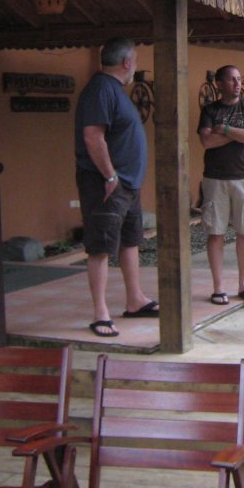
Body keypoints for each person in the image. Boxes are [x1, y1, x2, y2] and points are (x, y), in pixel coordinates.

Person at [74, 36, 158, 337]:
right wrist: (110, 176)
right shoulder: (100, 89)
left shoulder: (115, 90)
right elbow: (92, 136)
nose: (136, 64)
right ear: (126, 62)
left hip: (126, 184)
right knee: (100, 247)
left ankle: (135, 300)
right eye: (135, 59)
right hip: (107, 184)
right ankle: (100, 313)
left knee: (130, 241)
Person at [197, 65, 244, 305]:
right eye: (232, 80)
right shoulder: (209, 109)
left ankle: (243, 283)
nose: (237, 84)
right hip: (215, 179)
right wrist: (240, 133)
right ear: (219, 84)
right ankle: (218, 288)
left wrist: (225, 129)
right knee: (215, 233)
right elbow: (206, 141)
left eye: (239, 79)